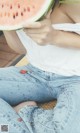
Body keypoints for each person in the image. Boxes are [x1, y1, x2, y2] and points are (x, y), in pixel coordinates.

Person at [0, 0, 80, 133]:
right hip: (34, 73)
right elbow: (21, 49)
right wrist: (5, 23)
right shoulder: (11, 7)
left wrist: (56, 36)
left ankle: (25, 113)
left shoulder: (70, 7)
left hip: (76, 79)